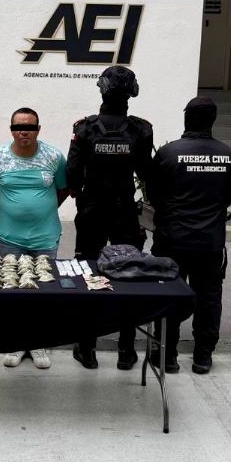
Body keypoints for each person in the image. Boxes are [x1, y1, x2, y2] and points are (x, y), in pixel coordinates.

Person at [66, 65, 154, 371]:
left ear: (102, 90)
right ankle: (126, 351)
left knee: (88, 275)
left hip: (92, 211)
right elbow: (146, 172)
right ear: (132, 93)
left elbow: (72, 173)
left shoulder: (84, 128)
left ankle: (87, 349)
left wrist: (80, 192)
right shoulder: (141, 129)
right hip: (124, 212)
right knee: (128, 275)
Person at [147, 96, 231, 374]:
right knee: (208, 298)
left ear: (187, 117)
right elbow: (227, 197)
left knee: (169, 295)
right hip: (210, 242)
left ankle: (167, 355)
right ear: (213, 120)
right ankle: (203, 356)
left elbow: (154, 195)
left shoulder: (168, 153)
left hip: (172, 240)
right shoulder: (227, 155)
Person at [0, 107, 68, 369]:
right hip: (10, 237)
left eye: (29, 127)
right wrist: (10, 212)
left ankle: (39, 342)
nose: (24, 132)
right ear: (11, 130)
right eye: (18, 127)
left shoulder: (54, 156)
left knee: (42, 291)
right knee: (14, 290)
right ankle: (17, 341)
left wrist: (44, 210)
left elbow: (63, 189)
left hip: (46, 237)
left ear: (38, 130)